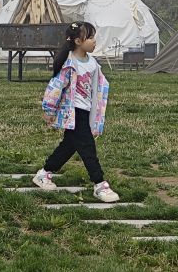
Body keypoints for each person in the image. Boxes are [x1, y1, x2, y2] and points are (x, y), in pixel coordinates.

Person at [32, 21, 120, 203]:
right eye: (90, 37)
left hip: (86, 111)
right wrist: (49, 109)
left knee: (69, 145)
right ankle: (99, 183)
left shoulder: (93, 63)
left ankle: (44, 173)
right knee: (87, 147)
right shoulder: (70, 63)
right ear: (78, 41)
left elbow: (99, 86)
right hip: (74, 112)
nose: (94, 41)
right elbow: (56, 86)